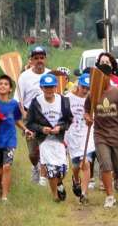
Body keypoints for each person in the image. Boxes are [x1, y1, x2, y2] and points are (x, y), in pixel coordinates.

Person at [85, 64, 118, 208]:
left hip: (117, 135)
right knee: (105, 165)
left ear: (108, 77)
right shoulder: (92, 93)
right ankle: (110, 197)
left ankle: (117, 178)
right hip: (100, 135)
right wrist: (87, 117)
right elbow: (86, 110)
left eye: (100, 76)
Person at [0, 75, 33, 202]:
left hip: (9, 140)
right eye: (0, 84)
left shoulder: (14, 104)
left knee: (7, 167)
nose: (3, 86)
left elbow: (17, 119)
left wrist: (25, 129)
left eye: (6, 84)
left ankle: (5, 197)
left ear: (10, 89)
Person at [26, 74, 73, 202]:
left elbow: (69, 120)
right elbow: (29, 123)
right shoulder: (36, 102)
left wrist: (60, 127)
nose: (49, 90)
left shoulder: (63, 101)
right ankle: (55, 196)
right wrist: (42, 129)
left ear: (56, 87)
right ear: (41, 87)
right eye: (46, 87)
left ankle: (59, 183)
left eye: (51, 87)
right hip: (44, 141)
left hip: (60, 140)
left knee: (63, 170)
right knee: (51, 170)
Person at [15, 46, 51, 185]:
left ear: (45, 59)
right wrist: (23, 113)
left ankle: (43, 178)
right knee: (33, 153)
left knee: (45, 147)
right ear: (31, 60)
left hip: (48, 115)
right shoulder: (24, 77)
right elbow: (18, 98)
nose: (39, 60)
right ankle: (35, 167)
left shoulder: (50, 75)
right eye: (36, 58)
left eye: (41, 58)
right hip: (30, 116)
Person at [65, 74, 95, 204]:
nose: (85, 90)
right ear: (78, 85)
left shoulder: (93, 100)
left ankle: (84, 193)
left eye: (88, 88)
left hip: (86, 133)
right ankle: (76, 179)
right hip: (72, 134)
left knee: (86, 162)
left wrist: (91, 119)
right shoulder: (68, 98)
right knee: (76, 165)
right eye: (83, 87)